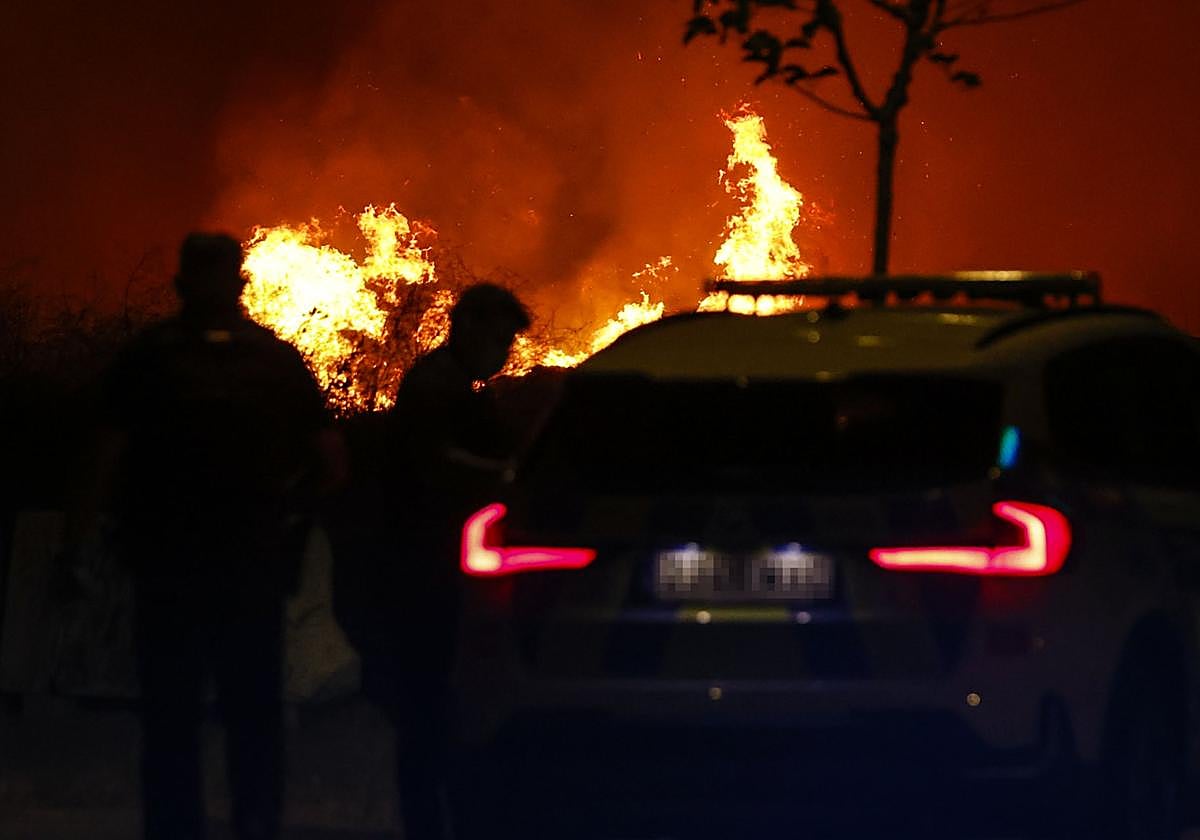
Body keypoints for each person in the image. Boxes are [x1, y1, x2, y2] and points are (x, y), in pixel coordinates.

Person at [69, 232, 345, 840]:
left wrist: (80, 541)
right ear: (242, 283)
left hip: (169, 568)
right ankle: (256, 823)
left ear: (179, 284)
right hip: (248, 570)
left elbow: (104, 457)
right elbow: (331, 462)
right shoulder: (275, 360)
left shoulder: (149, 357)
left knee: (171, 721)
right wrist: (288, 512)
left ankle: (175, 828)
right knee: (254, 717)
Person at [334, 283, 530, 840]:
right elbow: (444, 461)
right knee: (429, 711)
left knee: (436, 712)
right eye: (500, 340)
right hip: (423, 576)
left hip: (433, 571)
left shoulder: (457, 385)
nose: (506, 355)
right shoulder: (435, 387)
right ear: (468, 329)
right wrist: (507, 475)